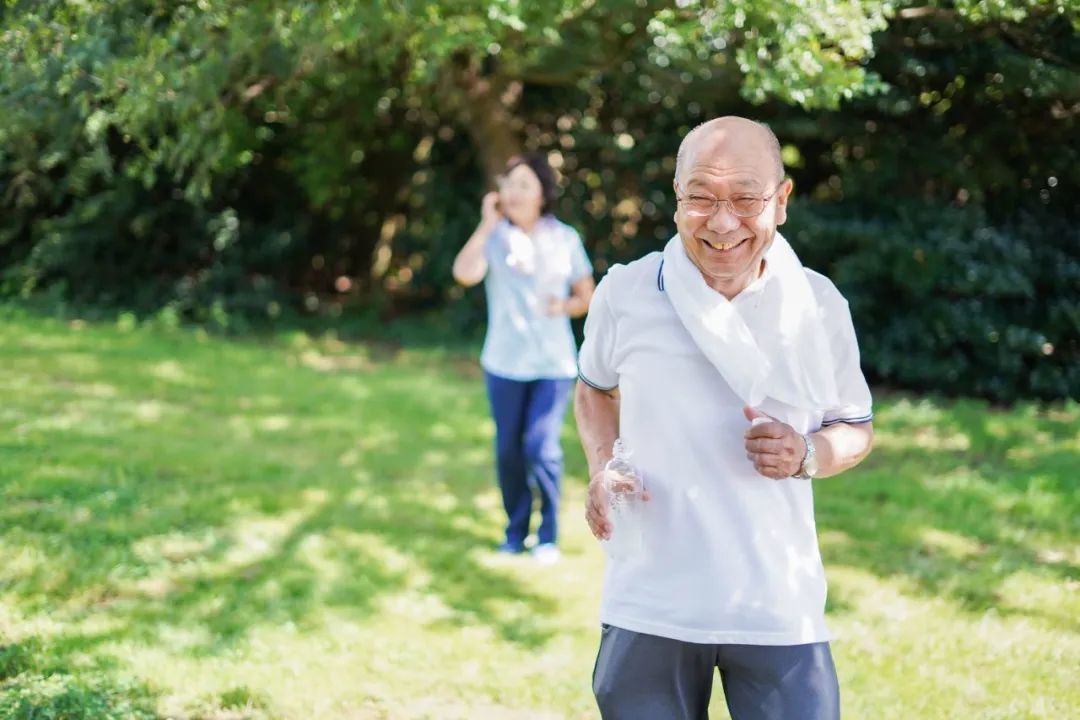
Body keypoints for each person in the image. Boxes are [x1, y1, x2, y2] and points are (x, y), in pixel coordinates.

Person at [575, 116, 875, 719]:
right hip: (652, 597)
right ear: (676, 198)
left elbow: (855, 428)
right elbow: (593, 390)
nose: (721, 222)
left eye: (744, 199)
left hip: (776, 601)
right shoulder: (627, 292)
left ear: (781, 201)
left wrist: (806, 453)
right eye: (702, 198)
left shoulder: (818, 304)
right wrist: (604, 466)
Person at [453, 152, 595, 564]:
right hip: (504, 363)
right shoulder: (495, 237)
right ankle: (515, 534)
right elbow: (464, 273)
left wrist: (562, 306)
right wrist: (486, 223)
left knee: (540, 448)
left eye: (524, 184)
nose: (513, 192)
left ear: (542, 195)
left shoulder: (565, 238)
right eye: (509, 183)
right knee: (508, 452)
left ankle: (547, 536)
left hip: (553, 365)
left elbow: (586, 296)